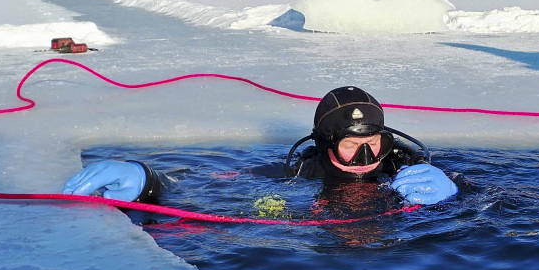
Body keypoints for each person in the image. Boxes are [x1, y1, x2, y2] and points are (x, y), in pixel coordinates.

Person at [63, 86, 459, 206]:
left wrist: (457, 196)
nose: (368, 158)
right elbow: (209, 185)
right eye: (352, 146)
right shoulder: (298, 174)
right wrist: (149, 181)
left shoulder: (405, 168)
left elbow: (506, 203)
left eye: (375, 143)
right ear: (324, 144)